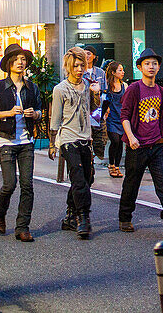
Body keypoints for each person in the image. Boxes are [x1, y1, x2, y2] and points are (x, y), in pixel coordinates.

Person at [118, 48, 163, 239]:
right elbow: (124, 116)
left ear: (158, 67)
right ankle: (125, 216)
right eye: (147, 63)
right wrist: (131, 137)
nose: (151, 67)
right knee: (132, 183)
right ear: (140, 67)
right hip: (137, 145)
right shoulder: (134, 89)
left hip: (157, 145)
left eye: (155, 63)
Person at [0, 45, 42, 241]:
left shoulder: (31, 87)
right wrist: (8, 112)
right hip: (6, 141)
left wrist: (34, 114)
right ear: (9, 63)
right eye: (16, 59)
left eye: (23, 59)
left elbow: (40, 111)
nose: (20, 62)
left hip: (26, 141)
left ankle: (22, 227)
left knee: (28, 185)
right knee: (10, 184)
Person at [50, 46, 101, 240]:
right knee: (79, 179)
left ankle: (70, 215)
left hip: (85, 138)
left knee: (87, 179)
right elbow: (55, 118)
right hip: (68, 139)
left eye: (82, 65)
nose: (79, 69)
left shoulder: (88, 85)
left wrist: (96, 95)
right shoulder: (60, 89)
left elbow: (95, 112)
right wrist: (52, 143)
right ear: (68, 67)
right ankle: (83, 218)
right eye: (75, 66)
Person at [81, 45, 108, 160]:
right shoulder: (80, 72)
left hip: (98, 109)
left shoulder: (100, 72)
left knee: (99, 137)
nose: (87, 56)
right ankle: (88, 158)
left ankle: (95, 156)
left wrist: (106, 109)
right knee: (85, 136)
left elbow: (105, 92)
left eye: (89, 53)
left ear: (94, 56)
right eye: (85, 53)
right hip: (84, 108)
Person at [102, 61, 127, 178]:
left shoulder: (124, 86)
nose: (122, 72)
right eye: (120, 70)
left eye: (122, 70)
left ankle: (117, 166)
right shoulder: (107, 86)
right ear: (113, 72)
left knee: (120, 143)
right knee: (115, 141)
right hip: (111, 118)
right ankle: (111, 164)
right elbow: (102, 100)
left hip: (122, 118)